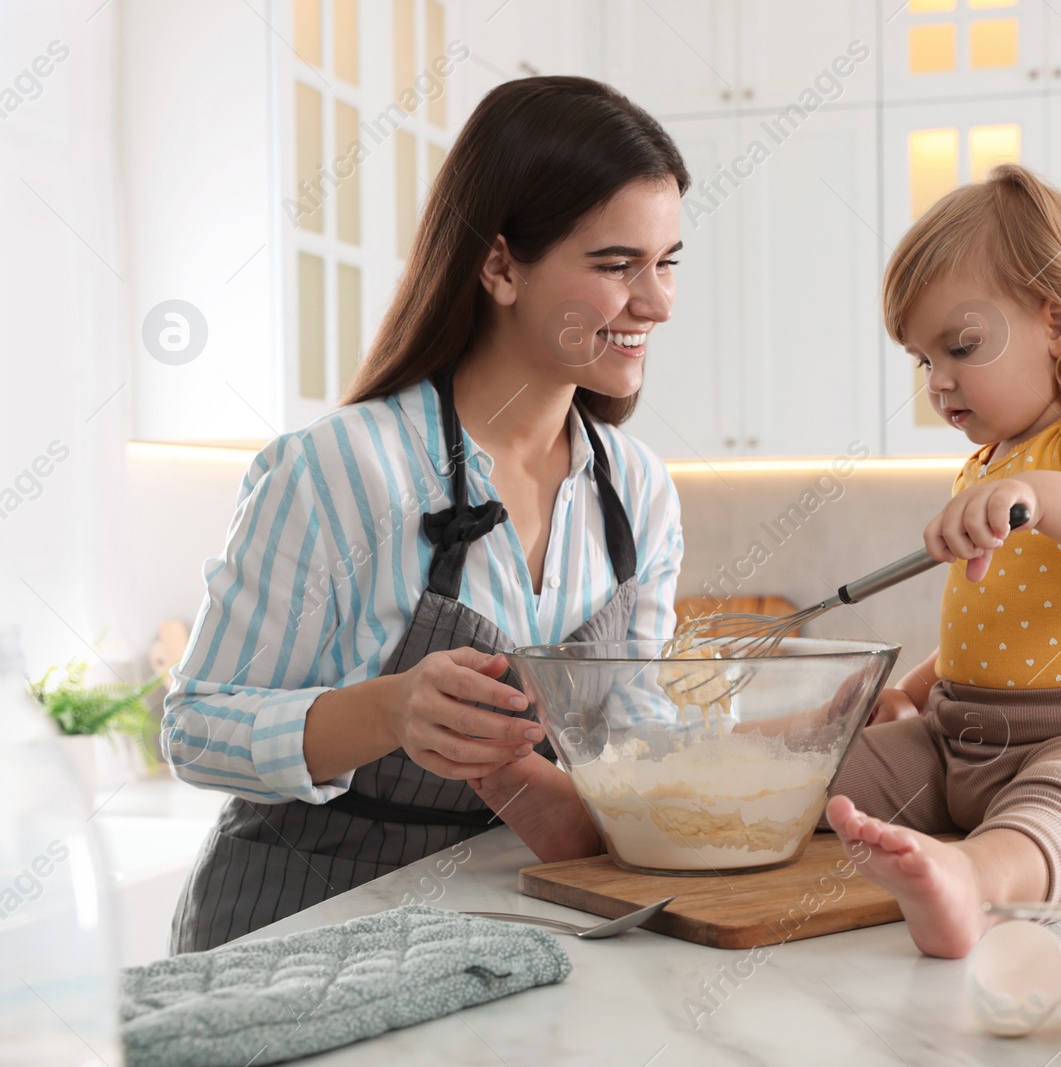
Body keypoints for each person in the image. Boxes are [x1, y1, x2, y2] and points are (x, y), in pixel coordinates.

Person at [162, 77, 689, 953]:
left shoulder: (636, 491)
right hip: (295, 929)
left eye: (667, 261)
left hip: (506, 927)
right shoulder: (336, 470)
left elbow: (633, 740)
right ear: (500, 266)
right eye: (615, 265)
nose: (658, 302)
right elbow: (194, 726)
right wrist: (389, 711)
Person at [823, 162, 1061, 959]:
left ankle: (973, 878)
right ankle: (641, 816)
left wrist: (1036, 489)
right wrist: (910, 691)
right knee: (810, 771)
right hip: (958, 739)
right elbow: (994, 623)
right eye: (924, 359)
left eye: (959, 346)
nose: (938, 380)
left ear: (1057, 322)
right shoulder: (991, 464)